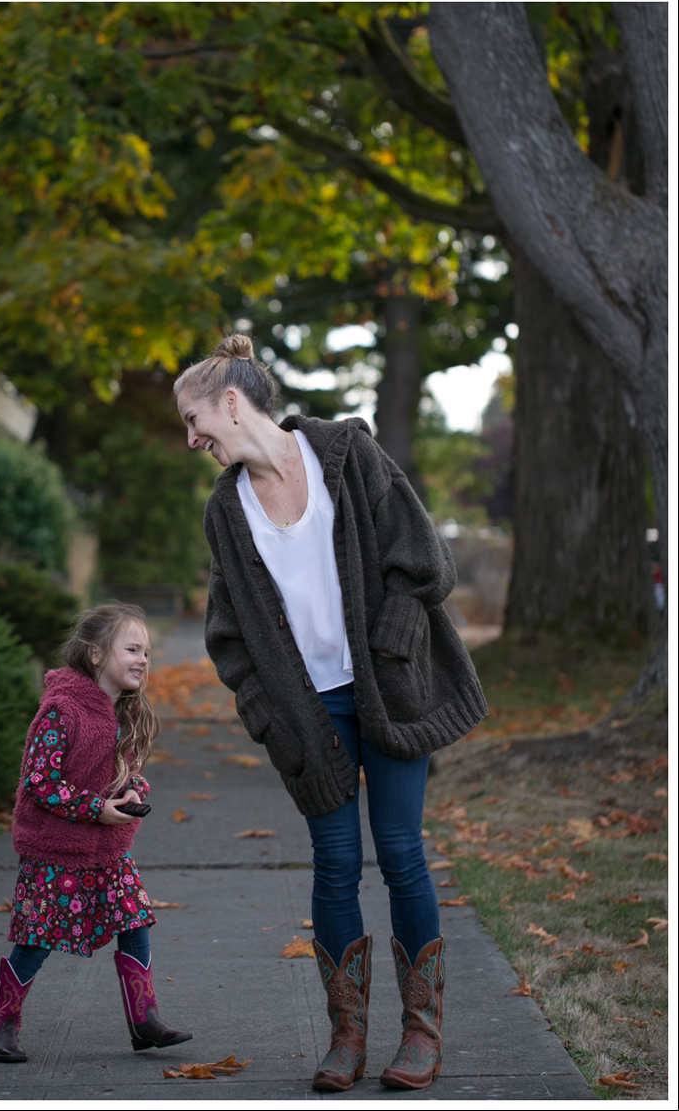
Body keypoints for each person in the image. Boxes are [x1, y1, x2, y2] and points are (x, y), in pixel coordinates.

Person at [174, 335, 487, 1092]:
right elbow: (227, 635)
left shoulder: (348, 455)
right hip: (310, 717)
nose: (192, 440)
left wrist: (393, 642)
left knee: (402, 853)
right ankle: (347, 1036)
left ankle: (422, 1034)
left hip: (390, 690)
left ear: (232, 402)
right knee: (336, 866)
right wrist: (269, 718)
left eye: (194, 420)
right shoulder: (226, 512)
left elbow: (424, 561)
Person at [0, 603, 191, 1062]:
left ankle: (145, 1019)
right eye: (132, 649)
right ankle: (3, 1025)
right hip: (55, 848)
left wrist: (130, 790)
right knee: (36, 939)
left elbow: (121, 772)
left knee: (135, 921)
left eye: (147, 653)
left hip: (108, 848)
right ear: (96, 655)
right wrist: (96, 808)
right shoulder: (62, 710)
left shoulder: (125, 712)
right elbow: (40, 782)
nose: (143, 660)